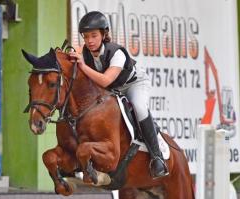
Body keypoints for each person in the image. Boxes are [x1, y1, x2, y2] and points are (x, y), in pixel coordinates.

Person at [69, 11, 168, 178]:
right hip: (112, 89)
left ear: (104, 34)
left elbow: (106, 80)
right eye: (86, 37)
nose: (90, 41)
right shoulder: (85, 52)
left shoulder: (117, 53)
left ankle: (157, 157)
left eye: (94, 35)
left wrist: (83, 67)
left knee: (138, 107)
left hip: (133, 84)